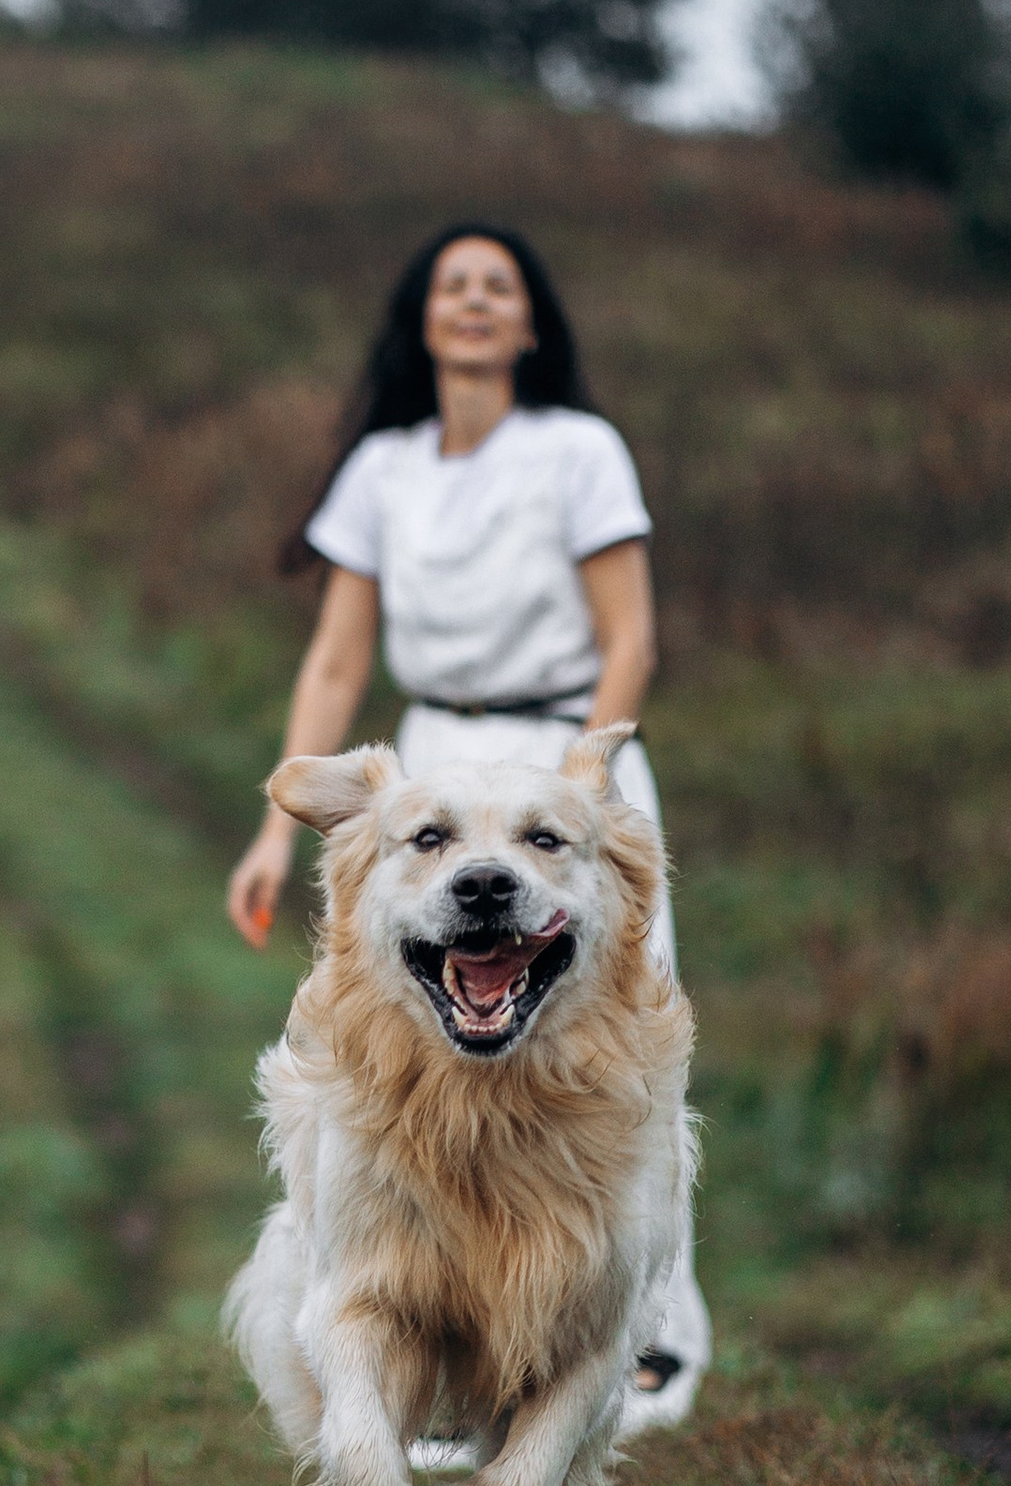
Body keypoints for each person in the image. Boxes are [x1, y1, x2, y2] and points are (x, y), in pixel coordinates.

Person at [225, 220, 709, 1423]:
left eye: (500, 286)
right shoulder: (382, 468)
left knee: (626, 1041)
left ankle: (644, 1327)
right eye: (455, 286)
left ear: (531, 322)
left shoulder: (580, 449)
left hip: (568, 767)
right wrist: (274, 837)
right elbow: (336, 659)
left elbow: (631, 638)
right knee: (418, 1053)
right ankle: (430, 1334)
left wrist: (580, 801)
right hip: (432, 767)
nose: (478, 301)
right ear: (424, 320)